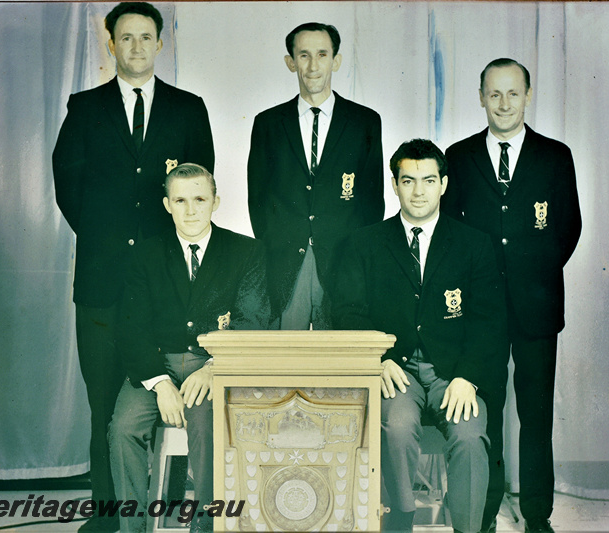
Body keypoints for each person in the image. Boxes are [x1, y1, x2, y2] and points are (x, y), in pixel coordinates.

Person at [52, 3, 214, 529]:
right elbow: (67, 185)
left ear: (160, 44)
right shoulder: (85, 107)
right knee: (106, 405)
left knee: (170, 397)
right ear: (111, 44)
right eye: (126, 37)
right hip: (102, 283)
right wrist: (107, 239)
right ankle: (109, 518)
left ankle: (174, 509)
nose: (137, 46)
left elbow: (197, 186)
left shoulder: (188, 109)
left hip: (167, 283)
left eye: (146, 36)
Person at [333, 139, 508, 533]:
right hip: (396, 372)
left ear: (443, 184)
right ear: (394, 184)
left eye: (428, 180)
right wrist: (378, 360)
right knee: (396, 427)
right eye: (408, 180)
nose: (418, 191)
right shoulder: (364, 243)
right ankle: (399, 524)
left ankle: (468, 529)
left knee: (469, 435)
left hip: (454, 373)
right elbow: (346, 312)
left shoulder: (473, 244)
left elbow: (490, 322)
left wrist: (468, 377)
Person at [442, 58, 582, 533]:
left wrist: (532, 276)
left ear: (528, 96)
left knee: (536, 414)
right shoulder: (459, 157)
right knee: (485, 413)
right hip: (479, 311)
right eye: (494, 94)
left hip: (536, 308)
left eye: (513, 93)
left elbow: (567, 228)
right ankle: (484, 511)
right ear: (481, 97)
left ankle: (537, 515)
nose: (504, 104)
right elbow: (451, 233)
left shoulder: (555, 156)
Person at [108, 163, 271, 533]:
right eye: (180, 201)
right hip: (155, 366)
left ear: (215, 202)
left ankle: (207, 527)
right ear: (167, 205)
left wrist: (214, 368)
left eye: (199, 199)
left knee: (209, 426)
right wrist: (159, 382)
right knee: (122, 429)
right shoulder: (146, 254)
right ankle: (133, 529)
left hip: (212, 364)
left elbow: (253, 320)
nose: (191, 210)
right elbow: (131, 328)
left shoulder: (246, 251)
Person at [247, 22, 384, 329]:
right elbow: (257, 198)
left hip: (343, 261)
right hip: (285, 262)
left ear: (336, 60)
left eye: (322, 54)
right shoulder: (268, 123)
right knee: (286, 354)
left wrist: (359, 258)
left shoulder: (364, 122)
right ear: (290, 62)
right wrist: (275, 243)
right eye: (304, 55)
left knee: (339, 352)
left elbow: (373, 201)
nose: (313, 66)